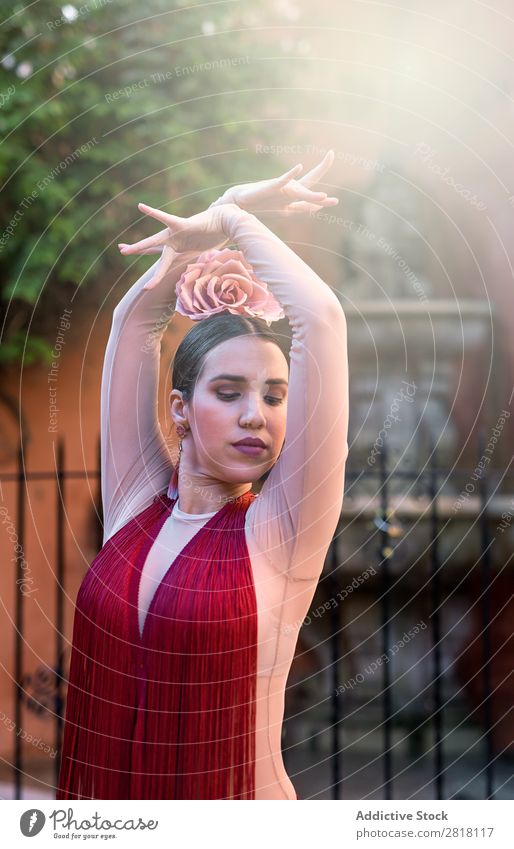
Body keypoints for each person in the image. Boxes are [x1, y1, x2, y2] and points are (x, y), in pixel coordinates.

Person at [56, 151, 349, 801]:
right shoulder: (135, 503)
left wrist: (232, 214)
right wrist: (222, 208)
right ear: (180, 409)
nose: (257, 414)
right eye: (229, 390)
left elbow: (320, 318)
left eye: (275, 394)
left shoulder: (280, 530)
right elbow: (135, 320)